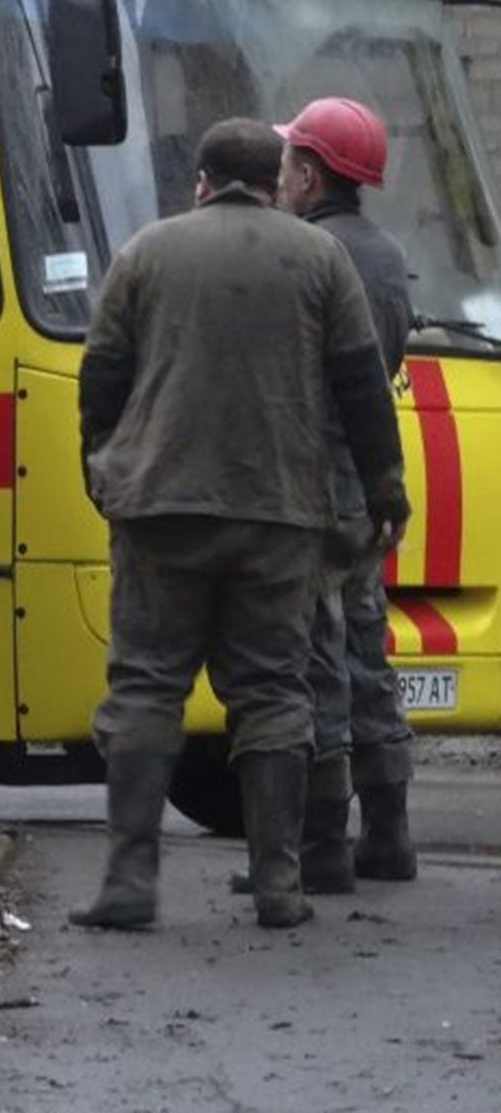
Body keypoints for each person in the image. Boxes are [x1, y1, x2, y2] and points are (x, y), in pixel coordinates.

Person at [72, 118, 409, 931]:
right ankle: (279, 886)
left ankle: (128, 884)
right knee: (272, 695)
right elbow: (363, 387)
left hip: (160, 510)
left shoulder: (147, 252)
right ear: (274, 179)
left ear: (201, 179)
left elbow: (102, 375)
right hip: (278, 514)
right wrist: (384, 490)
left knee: (147, 686)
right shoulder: (319, 258)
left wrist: (103, 465)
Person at [274, 97, 418, 885]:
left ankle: (320, 843)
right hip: (366, 484)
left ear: (309, 173)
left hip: (308, 482)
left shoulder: (309, 254)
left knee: (312, 656)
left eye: (291, 164)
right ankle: (390, 832)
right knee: (368, 650)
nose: (283, 178)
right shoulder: (389, 255)